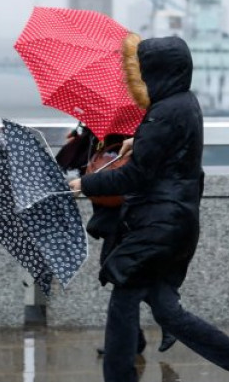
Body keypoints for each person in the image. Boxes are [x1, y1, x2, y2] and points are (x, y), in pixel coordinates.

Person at [70, 34, 229, 382]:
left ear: (159, 71)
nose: (139, 78)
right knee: (165, 308)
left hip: (157, 224)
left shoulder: (164, 112)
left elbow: (138, 177)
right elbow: (163, 155)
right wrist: (135, 140)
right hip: (174, 221)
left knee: (124, 301)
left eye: (144, 71)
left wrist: (85, 184)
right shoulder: (182, 104)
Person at [56, 126, 176, 356]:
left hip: (125, 212)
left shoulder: (125, 126)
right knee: (124, 276)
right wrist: (79, 136)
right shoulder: (100, 125)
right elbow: (90, 156)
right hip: (111, 210)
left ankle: (166, 321)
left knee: (122, 274)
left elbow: (127, 169)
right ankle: (147, 332)